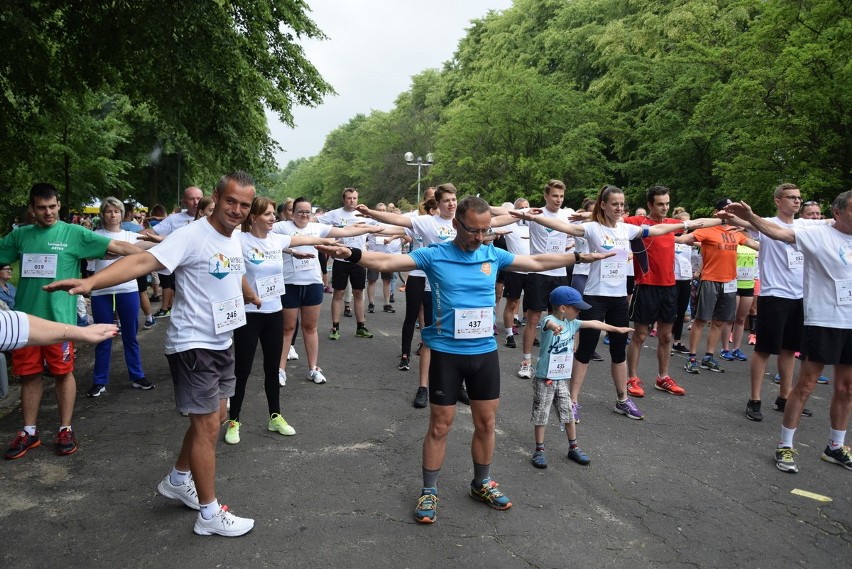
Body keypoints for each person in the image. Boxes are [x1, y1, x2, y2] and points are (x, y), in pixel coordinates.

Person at [316, 195, 615, 524]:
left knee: (487, 423)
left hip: (484, 353)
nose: (480, 237)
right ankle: (429, 491)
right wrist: (352, 253)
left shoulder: (492, 253)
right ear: (457, 224)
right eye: (474, 230)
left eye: (486, 231)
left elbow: (537, 262)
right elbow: (388, 264)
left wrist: (578, 255)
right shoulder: (435, 255)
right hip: (446, 353)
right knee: (440, 426)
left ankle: (481, 482)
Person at [46, 172, 258, 536]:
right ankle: (209, 515)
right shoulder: (191, 236)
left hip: (222, 340)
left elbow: (229, 273)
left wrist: (249, 294)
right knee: (207, 426)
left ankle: (178, 478)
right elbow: (143, 263)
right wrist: (92, 282)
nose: (237, 210)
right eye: (231, 202)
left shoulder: (234, 236)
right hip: (194, 344)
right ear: (216, 197)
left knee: (218, 416)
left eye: (244, 205)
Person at [515, 185, 706, 421]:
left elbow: (659, 230)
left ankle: (623, 400)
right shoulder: (592, 228)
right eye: (614, 204)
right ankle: (572, 401)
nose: (618, 208)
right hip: (595, 297)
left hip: (618, 300)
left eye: (621, 204)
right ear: (603, 205)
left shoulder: (627, 229)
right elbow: (563, 226)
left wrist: (685, 224)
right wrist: (527, 216)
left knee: (618, 351)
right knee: (585, 350)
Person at [1, 183, 143, 459]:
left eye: (52, 207)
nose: (48, 212)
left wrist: (155, 258)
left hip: (60, 323)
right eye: (41, 208)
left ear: (59, 205)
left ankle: (65, 428)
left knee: (63, 373)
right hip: (26, 324)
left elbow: (116, 245)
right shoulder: (20, 237)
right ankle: (29, 432)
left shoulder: (73, 233)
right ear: (32, 209)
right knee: (29, 376)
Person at [724, 192, 852, 473]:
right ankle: (784, 443)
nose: (797, 202)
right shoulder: (816, 233)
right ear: (839, 212)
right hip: (820, 317)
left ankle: (835, 446)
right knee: (804, 383)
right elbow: (779, 234)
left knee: (846, 388)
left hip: (845, 319)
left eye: (799, 198)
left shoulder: (820, 224)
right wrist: (750, 218)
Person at [225, 197, 334, 444]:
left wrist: (330, 242)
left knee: (272, 370)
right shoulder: (239, 240)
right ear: (253, 217)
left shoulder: (278, 239)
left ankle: (275, 417)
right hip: (249, 314)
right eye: (267, 215)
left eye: (274, 214)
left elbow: (309, 239)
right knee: (242, 370)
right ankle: (234, 421)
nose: (273, 218)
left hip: (274, 312)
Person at [622, 186, 722, 398]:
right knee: (640, 335)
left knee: (666, 336)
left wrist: (726, 219)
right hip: (646, 286)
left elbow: (700, 223)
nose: (665, 207)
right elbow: (610, 218)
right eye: (660, 204)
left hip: (670, 287)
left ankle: (663, 377)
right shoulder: (637, 223)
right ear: (650, 204)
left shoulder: (670, 225)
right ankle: (631, 378)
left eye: (667, 203)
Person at [272, 197, 383, 385]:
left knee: (310, 327)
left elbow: (346, 230)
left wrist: (370, 228)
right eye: (300, 211)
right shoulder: (282, 227)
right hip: (289, 284)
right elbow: (259, 232)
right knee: (287, 329)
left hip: (313, 283)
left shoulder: (317, 228)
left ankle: (313, 368)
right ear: (292, 213)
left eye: (308, 212)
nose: (304, 215)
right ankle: (280, 370)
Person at [530, 286, 633, 469]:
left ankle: (573, 447)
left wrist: (615, 329)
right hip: (545, 379)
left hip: (561, 379)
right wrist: (556, 327)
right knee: (541, 414)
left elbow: (594, 323)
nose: (579, 312)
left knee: (568, 413)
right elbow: (549, 324)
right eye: (576, 308)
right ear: (563, 308)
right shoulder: (549, 320)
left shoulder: (573, 323)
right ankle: (539, 450)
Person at [86, 197, 159, 397]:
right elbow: (86, 255)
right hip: (101, 291)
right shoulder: (95, 235)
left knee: (130, 335)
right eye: (108, 211)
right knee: (103, 335)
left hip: (127, 289)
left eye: (116, 211)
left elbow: (152, 247)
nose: (112, 215)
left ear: (121, 214)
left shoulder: (130, 235)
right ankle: (99, 381)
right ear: (102, 214)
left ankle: (137, 376)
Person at [678, 198, 759, 374]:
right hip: (709, 280)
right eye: (727, 210)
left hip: (730, 282)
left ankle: (708, 357)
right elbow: (684, 239)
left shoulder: (737, 232)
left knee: (720, 321)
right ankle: (692, 357)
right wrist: (664, 234)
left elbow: (757, 246)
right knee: (700, 320)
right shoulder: (707, 229)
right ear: (718, 212)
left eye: (733, 211)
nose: (731, 214)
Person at [316, 188, 378, 340]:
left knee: (358, 293)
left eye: (355, 198)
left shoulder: (364, 214)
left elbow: (380, 225)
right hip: (340, 259)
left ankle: (361, 326)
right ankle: (335, 327)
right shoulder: (334, 214)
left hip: (358, 259)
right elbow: (316, 223)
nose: (352, 201)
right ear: (344, 199)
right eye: (349, 198)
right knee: (338, 294)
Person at [146, 186, 204, 318]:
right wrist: (125, 238)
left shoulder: (213, 220)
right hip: (181, 273)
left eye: (198, 199)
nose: (196, 202)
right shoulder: (174, 219)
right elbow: (151, 234)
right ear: (184, 201)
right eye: (191, 199)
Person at [499, 198, 530, 349]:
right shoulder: (510, 224)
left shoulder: (535, 225)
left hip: (532, 271)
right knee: (512, 303)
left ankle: (532, 336)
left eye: (526, 208)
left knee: (531, 307)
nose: (524, 211)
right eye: (521, 209)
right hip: (515, 270)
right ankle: (509, 335)